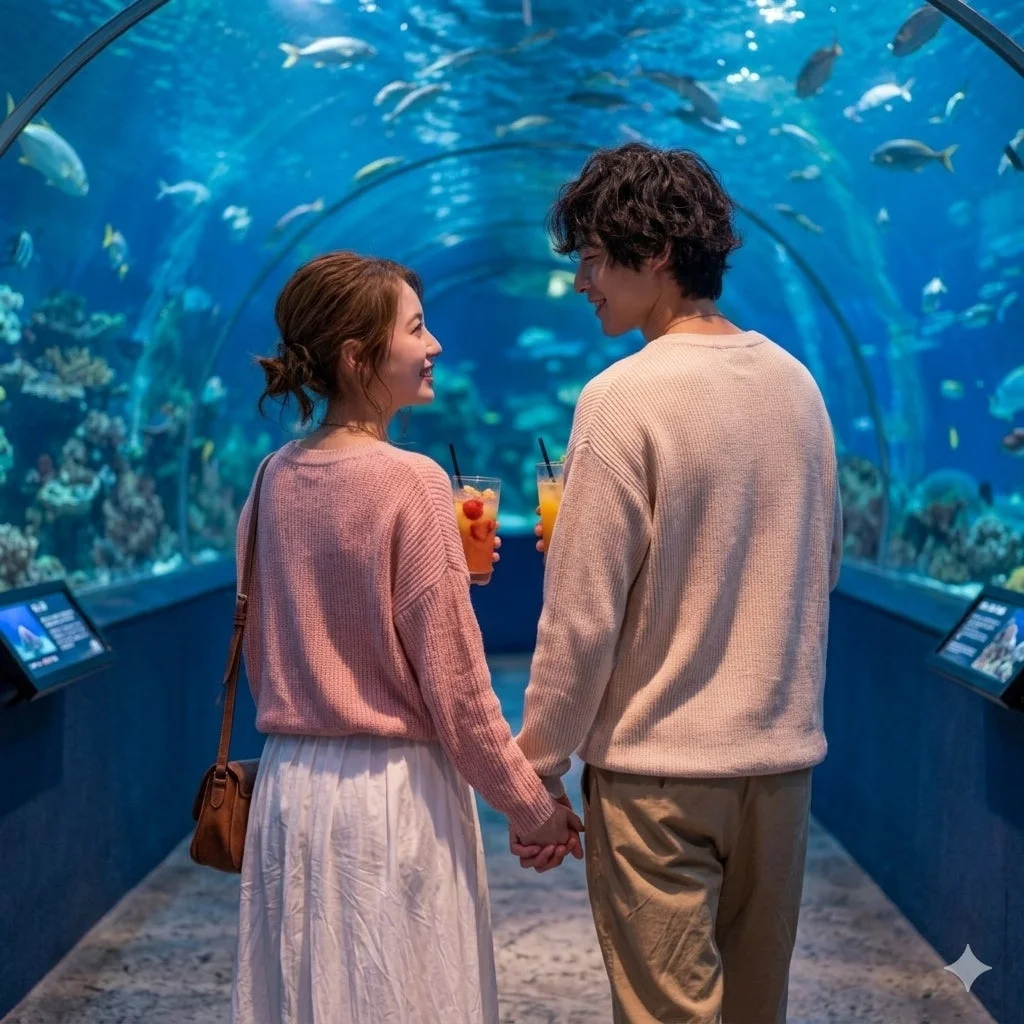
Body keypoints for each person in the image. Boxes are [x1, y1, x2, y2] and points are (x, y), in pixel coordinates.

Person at [511, 143, 844, 1023]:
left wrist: (535, 769)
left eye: (592, 255)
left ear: (653, 254)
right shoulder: (800, 387)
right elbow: (823, 567)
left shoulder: (621, 399)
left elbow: (581, 621)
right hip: (778, 773)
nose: (583, 279)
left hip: (658, 779)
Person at [230, 251, 582, 1024]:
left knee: (307, 995)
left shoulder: (268, 479)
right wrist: (534, 808)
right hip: (388, 799)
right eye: (417, 328)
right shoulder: (413, 481)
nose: (437, 346)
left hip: (290, 791)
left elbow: (277, 637)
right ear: (358, 357)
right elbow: (457, 693)